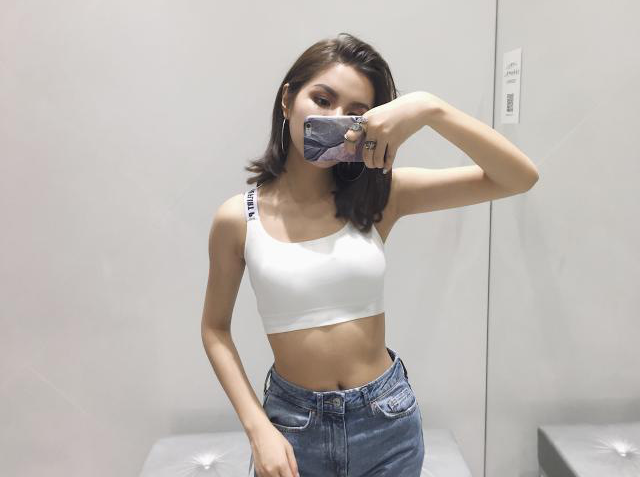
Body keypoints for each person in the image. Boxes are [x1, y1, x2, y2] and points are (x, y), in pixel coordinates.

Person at [201, 33, 539, 477]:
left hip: (386, 422)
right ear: (287, 100)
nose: (335, 119)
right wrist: (257, 427)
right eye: (322, 99)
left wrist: (428, 108)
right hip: (292, 428)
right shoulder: (238, 219)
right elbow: (215, 328)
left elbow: (518, 177)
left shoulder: (380, 197)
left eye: (355, 113)